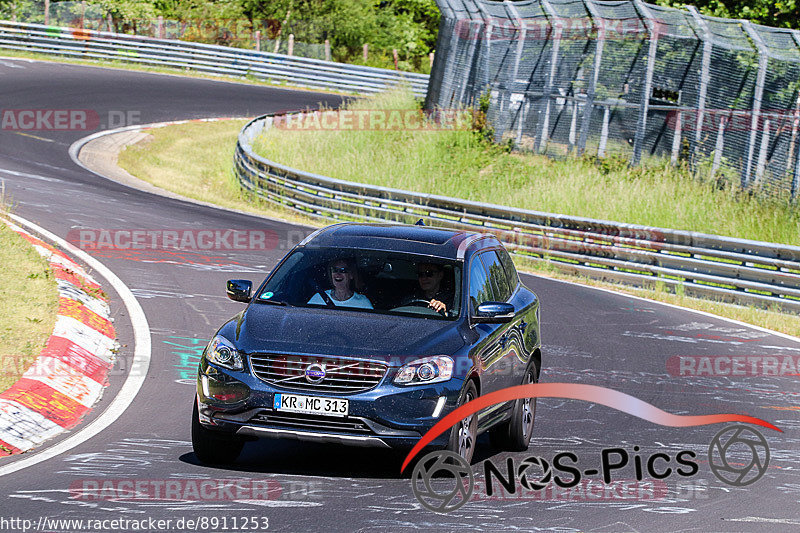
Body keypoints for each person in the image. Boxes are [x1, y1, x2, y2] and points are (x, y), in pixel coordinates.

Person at [308, 259, 373, 309]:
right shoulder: (318, 298)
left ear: (351, 275)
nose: (338, 274)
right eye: (335, 270)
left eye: (343, 270)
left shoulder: (363, 303)